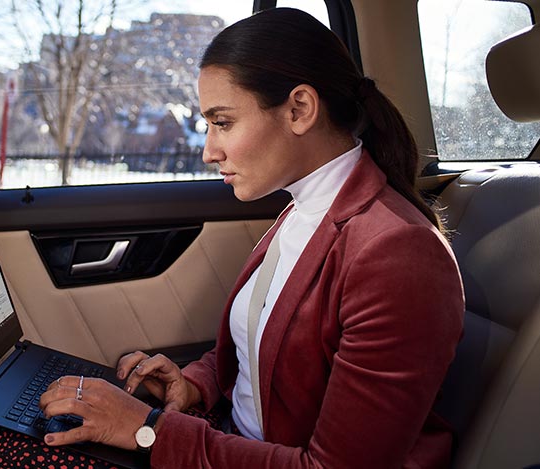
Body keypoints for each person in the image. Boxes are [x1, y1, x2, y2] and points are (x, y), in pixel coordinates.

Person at [32, 7, 464, 469]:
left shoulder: (396, 253)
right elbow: (267, 352)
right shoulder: (303, 209)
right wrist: (197, 382)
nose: (208, 151)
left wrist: (149, 431)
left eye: (222, 122)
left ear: (299, 109)